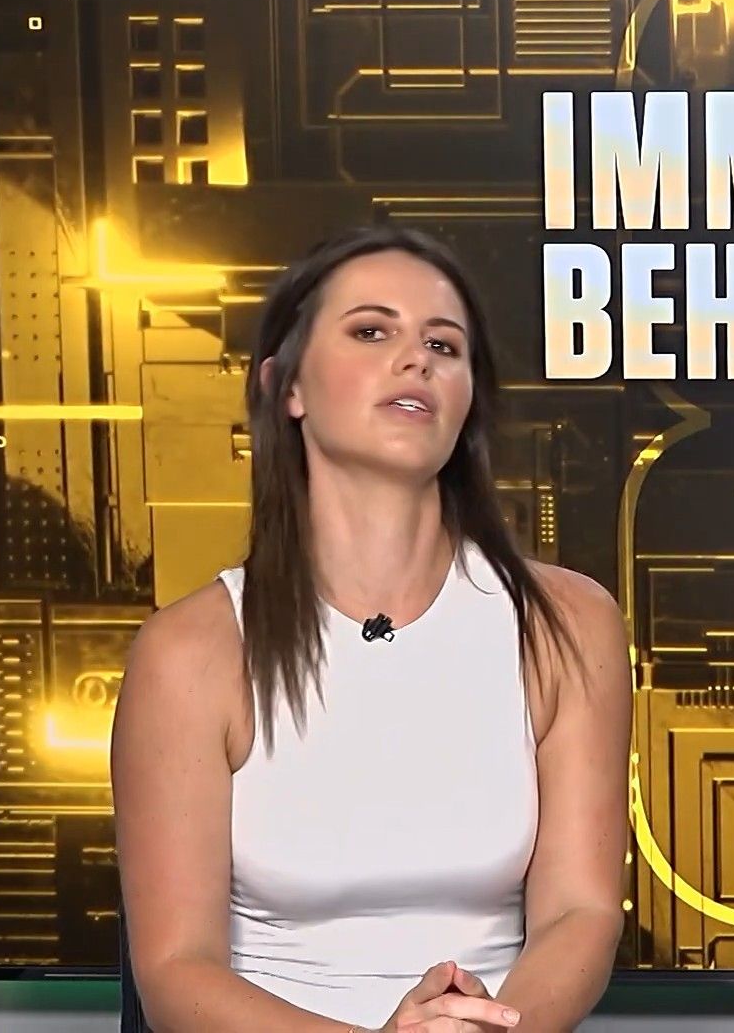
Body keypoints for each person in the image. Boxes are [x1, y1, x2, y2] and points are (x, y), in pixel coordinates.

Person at [111, 224, 633, 1032]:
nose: (416, 359)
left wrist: (488, 1029)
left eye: (443, 344)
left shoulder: (566, 625)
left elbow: (582, 913)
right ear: (287, 386)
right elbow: (177, 972)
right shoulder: (190, 653)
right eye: (371, 332)